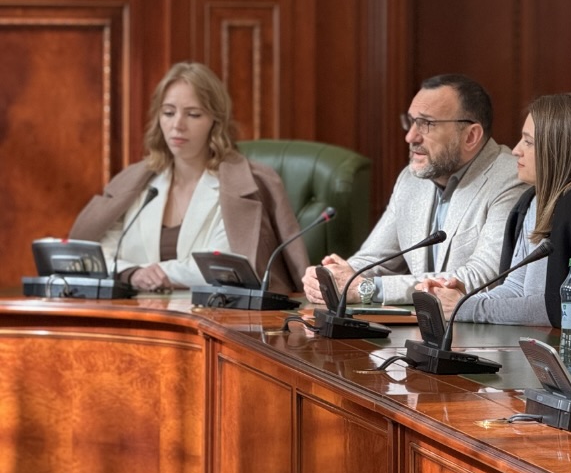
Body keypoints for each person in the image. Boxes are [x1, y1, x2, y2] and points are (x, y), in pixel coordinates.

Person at [418, 93, 571, 352]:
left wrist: (466, 307)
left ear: (558, 150)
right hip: (548, 348)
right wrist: (461, 300)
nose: (516, 150)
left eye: (528, 142)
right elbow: (515, 287)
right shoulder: (533, 200)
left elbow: (555, 308)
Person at [69, 62, 308, 292]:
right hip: (138, 309)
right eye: (168, 112)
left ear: (215, 121)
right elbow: (100, 252)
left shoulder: (238, 185)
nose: (177, 125)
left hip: (211, 312)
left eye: (193, 114)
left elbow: (224, 263)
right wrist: (132, 274)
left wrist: (153, 274)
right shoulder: (135, 182)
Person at [303, 74, 526, 307]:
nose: (410, 136)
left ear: (470, 136)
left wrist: (367, 288)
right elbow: (374, 258)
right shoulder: (411, 178)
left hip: (476, 327)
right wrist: (331, 277)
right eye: (411, 121)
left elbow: (481, 278)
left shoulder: (511, 179)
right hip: (420, 324)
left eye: (426, 124)